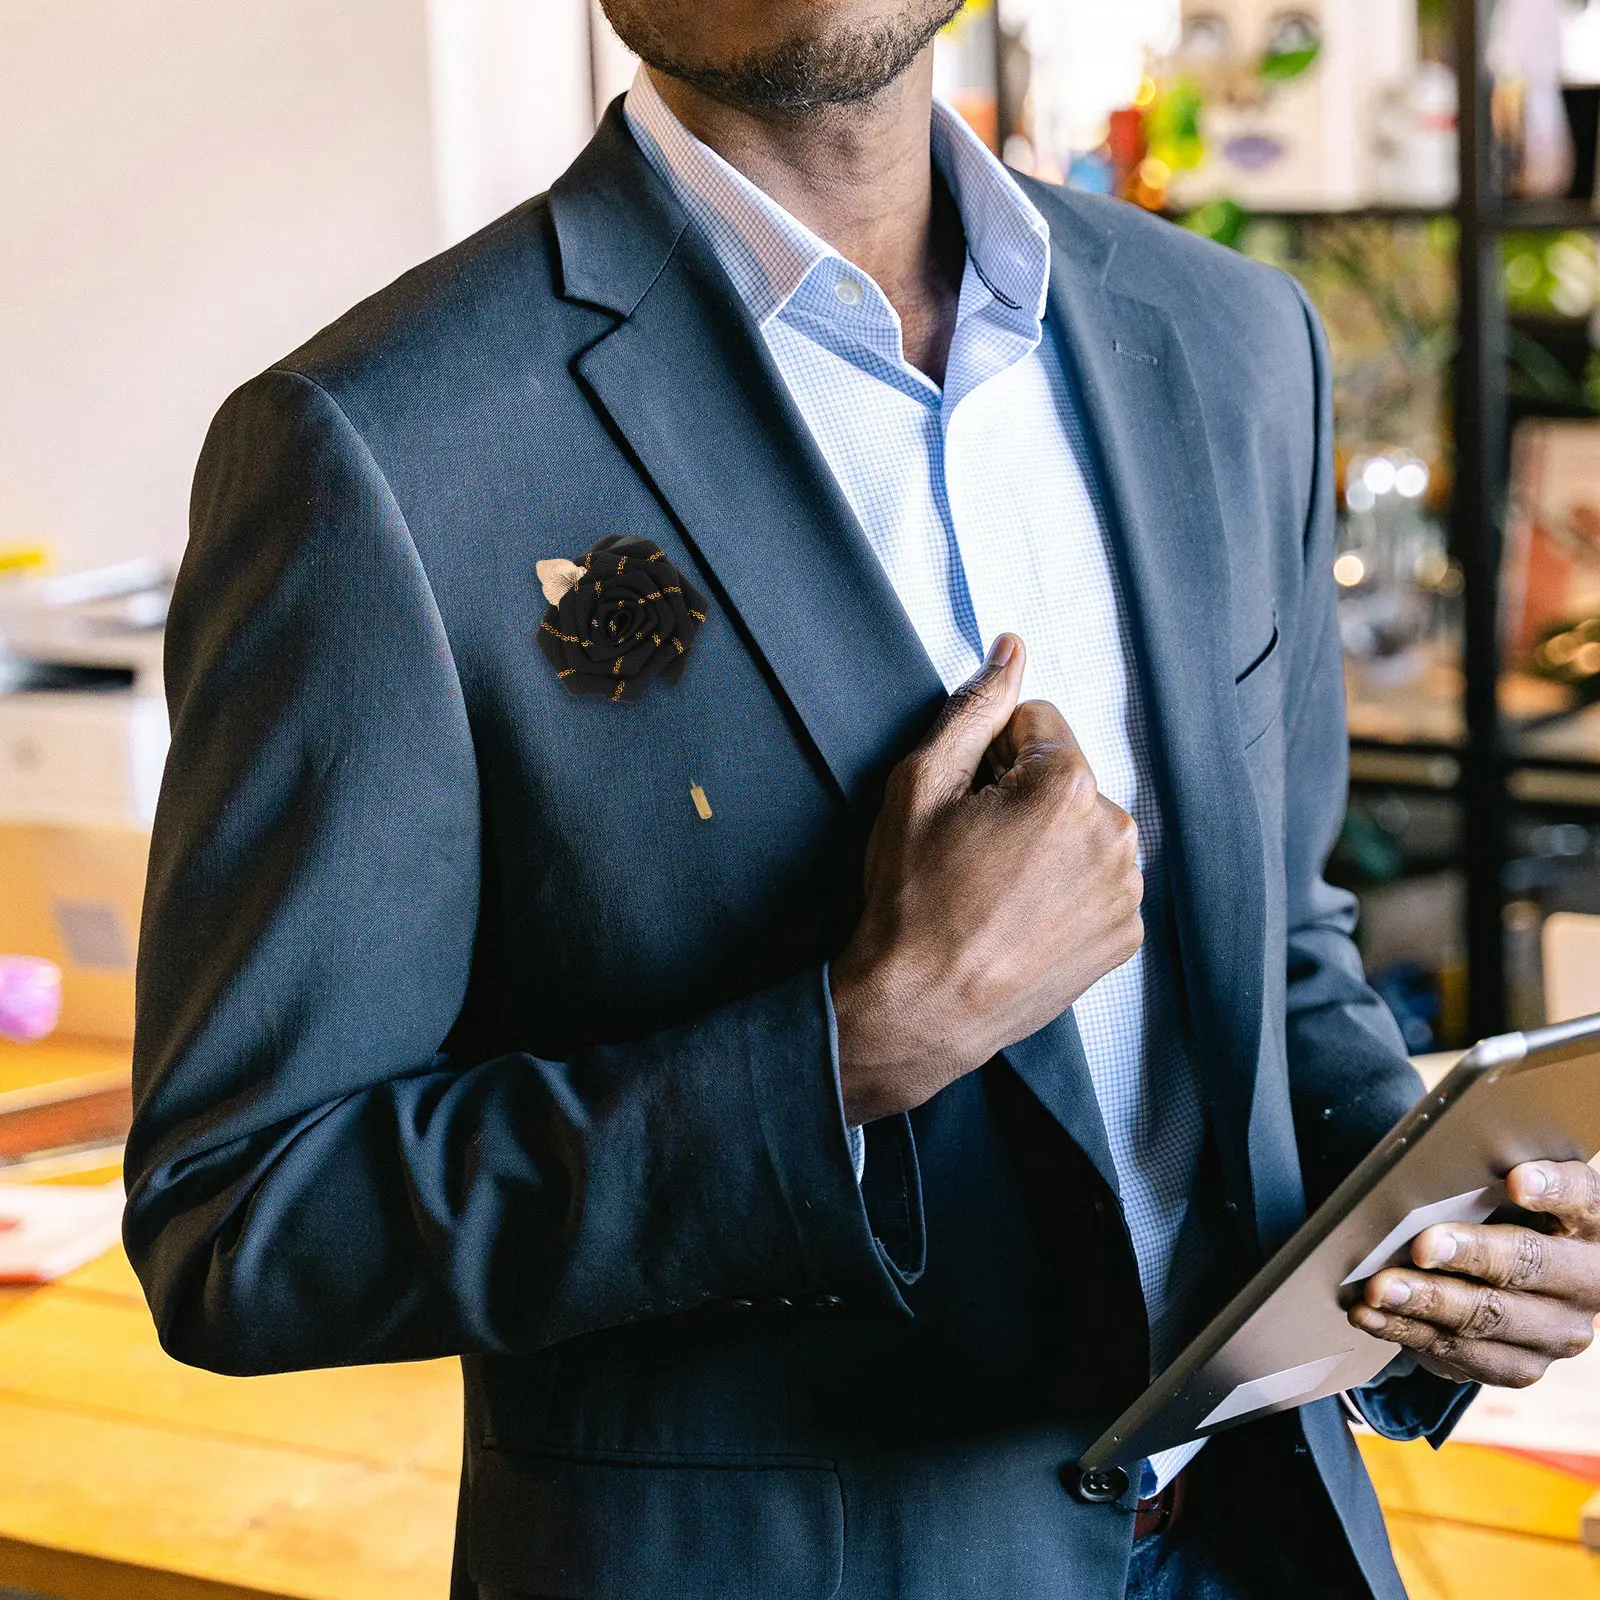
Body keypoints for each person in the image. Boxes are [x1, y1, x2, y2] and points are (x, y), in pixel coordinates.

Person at [124, 3, 1600, 1597]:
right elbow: (242, 1226)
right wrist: (849, 1051)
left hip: (1269, 1547)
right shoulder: (379, 447)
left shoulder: (1237, 338)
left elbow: (1286, 962)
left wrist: (1441, 1237)